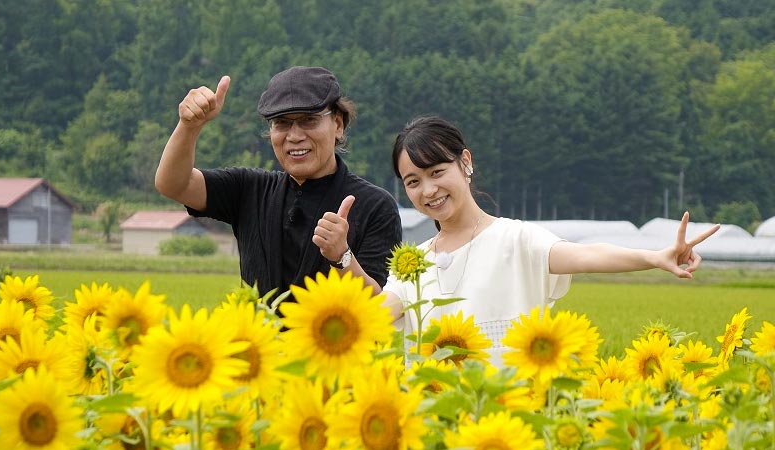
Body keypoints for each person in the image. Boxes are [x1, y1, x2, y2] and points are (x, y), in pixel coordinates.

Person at [382, 116, 719, 365]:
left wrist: (654, 257)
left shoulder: (515, 239)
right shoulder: (412, 263)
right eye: (413, 181)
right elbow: (377, 313)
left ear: (465, 162)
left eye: (437, 172)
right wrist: (342, 259)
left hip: (513, 426)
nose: (427, 191)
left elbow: (586, 255)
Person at [155, 66, 402, 303]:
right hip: (261, 344)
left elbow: (378, 306)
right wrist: (189, 127)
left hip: (335, 346)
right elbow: (174, 184)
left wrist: (342, 257)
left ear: (338, 124)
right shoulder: (249, 189)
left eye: (309, 120)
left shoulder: (375, 206)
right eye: (281, 123)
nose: (294, 136)